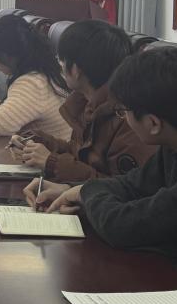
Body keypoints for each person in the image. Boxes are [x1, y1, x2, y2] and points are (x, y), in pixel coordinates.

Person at [25, 48, 177, 301]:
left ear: (153, 123)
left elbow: (127, 228)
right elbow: (132, 186)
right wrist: (74, 191)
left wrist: (86, 193)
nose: (123, 118)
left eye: (123, 111)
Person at [10, 20, 156, 182]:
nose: (59, 65)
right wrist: (38, 140)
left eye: (61, 60)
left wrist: (51, 163)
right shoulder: (86, 102)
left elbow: (120, 187)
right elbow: (80, 154)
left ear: (76, 70)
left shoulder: (128, 116)